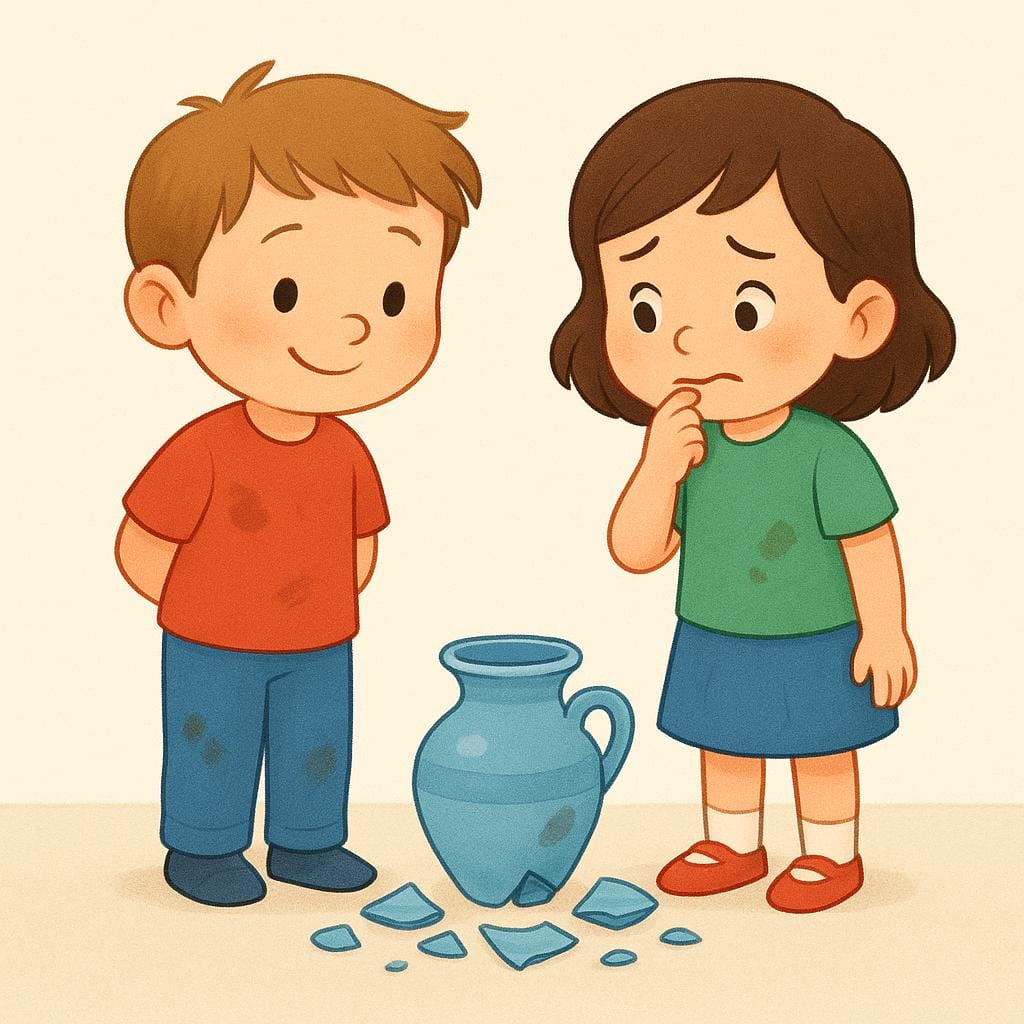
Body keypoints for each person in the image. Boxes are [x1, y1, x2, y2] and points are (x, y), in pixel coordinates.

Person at [550, 79, 953, 913]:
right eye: (648, 305)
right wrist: (657, 467)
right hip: (715, 628)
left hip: (818, 632)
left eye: (746, 303)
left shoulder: (826, 452)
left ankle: (831, 854)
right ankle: (732, 841)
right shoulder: (684, 441)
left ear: (860, 318)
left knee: (821, 744)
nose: (689, 338)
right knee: (724, 742)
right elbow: (637, 551)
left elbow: (867, 542)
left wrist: (886, 630)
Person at [116, 61, 481, 907]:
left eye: (393, 293)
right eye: (287, 288)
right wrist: (211, 603)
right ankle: (203, 847)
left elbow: (363, 540)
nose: (351, 324)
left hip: (321, 640)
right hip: (211, 643)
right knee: (212, 743)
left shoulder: (346, 448)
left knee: (319, 743)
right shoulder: (203, 448)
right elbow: (143, 544)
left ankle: (308, 841)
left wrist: (314, 599)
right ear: (169, 306)